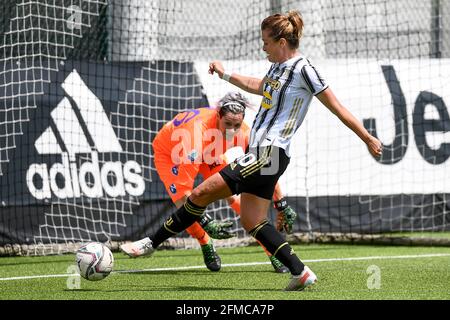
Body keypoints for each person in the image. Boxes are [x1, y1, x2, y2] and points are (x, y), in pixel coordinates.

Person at [121, 10, 382, 291]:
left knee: (199, 194)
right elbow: (259, 86)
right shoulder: (276, 68)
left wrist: (367, 137)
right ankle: (301, 272)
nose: (263, 47)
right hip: (266, 156)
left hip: (268, 153)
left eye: (266, 42)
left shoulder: (304, 69)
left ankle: (151, 243)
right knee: (252, 220)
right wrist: (225, 74)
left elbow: (338, 108)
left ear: (282, 42)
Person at [147, 91, 297, 272]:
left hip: (210, 151)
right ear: (218, 115)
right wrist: (205, 222)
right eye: (227, 124)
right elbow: (186, 193)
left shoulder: (244, 132)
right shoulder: (195, 135)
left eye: (236, 125)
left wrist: (280, 202)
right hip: (172, 154)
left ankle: (271, 250)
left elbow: (264, 168)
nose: (231, 130)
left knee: (233, 195)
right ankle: (205, 243)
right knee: (184, 203)